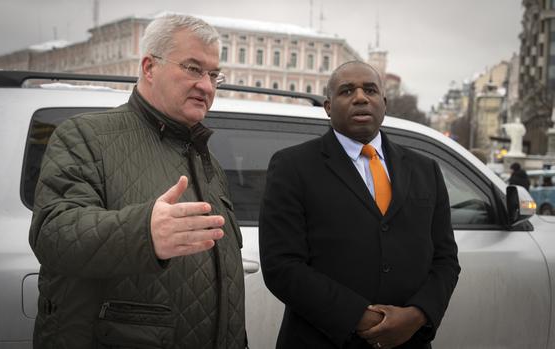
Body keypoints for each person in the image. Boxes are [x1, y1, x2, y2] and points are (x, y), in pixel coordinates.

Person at [29, 14, 246, 349]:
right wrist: (143, 231)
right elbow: (52, 232)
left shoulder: (207, 160)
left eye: (214, 74)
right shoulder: (85, 135)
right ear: (149, 67)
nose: (207, 85)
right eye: (193, 68)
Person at [259, 61, 460, 349]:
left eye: (370, 90)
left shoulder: (425, 169)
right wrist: (361, 319)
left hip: (408, 341)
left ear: (384, 102)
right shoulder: (292, 166)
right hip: (322, 340)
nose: (361, 97)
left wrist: (417, 315)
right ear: (328, 106)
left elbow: (445, 259)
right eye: (347, 91)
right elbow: (281, 265)